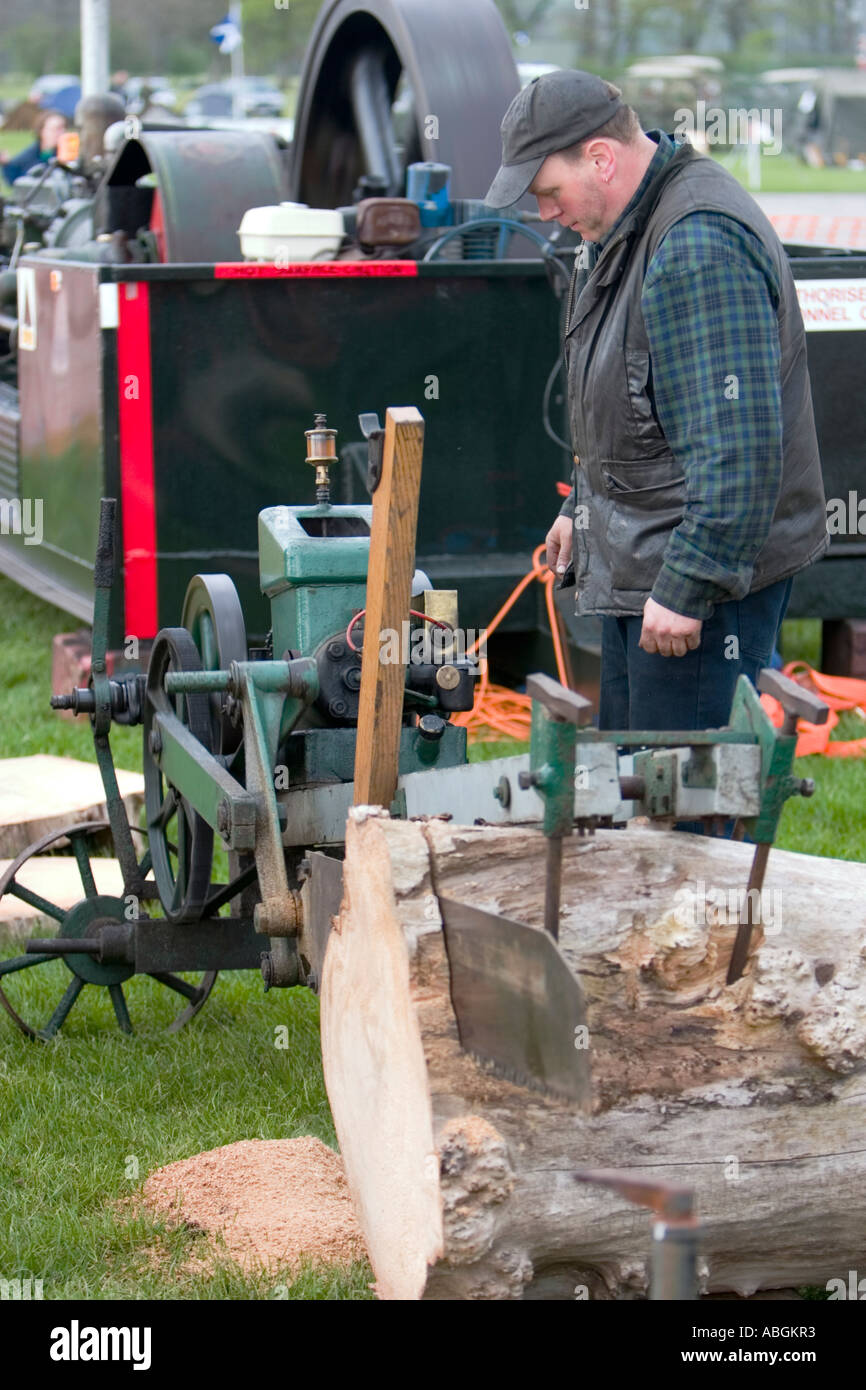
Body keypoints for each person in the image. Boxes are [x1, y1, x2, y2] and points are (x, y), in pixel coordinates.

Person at [485, 70, 828, 735]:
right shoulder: (623, 228)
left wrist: (688, 588)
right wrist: (580, 505)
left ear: (602, 159)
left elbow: (742, 452)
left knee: (687, 817)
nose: (547, 213)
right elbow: (637, 406)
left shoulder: (697, 247)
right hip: (647, 563)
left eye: (549, 192)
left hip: (698, 589)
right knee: (635, 796)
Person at [1, 109, 68, 187]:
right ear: (42, 131)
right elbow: (15, 181)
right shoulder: (32, 153)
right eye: (57, 129)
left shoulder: (68, 153)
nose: (62, 132)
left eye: (63, 128)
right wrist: (6, 164)